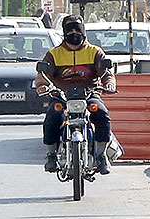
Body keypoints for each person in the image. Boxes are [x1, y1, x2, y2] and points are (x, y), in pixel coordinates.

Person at [34, 15, 116, 175]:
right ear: (64, 33)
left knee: (101, 114)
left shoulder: (95, 52)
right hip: (61, 96)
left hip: (89, 94)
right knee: (52, 115)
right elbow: (42, 75)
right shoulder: (53, 54)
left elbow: (107, 73)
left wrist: (110, 83)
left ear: (83, 31)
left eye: (77, 29)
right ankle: (51, 155)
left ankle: (101, 155)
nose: (73, 33)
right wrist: (42, 86)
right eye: (69, 30)